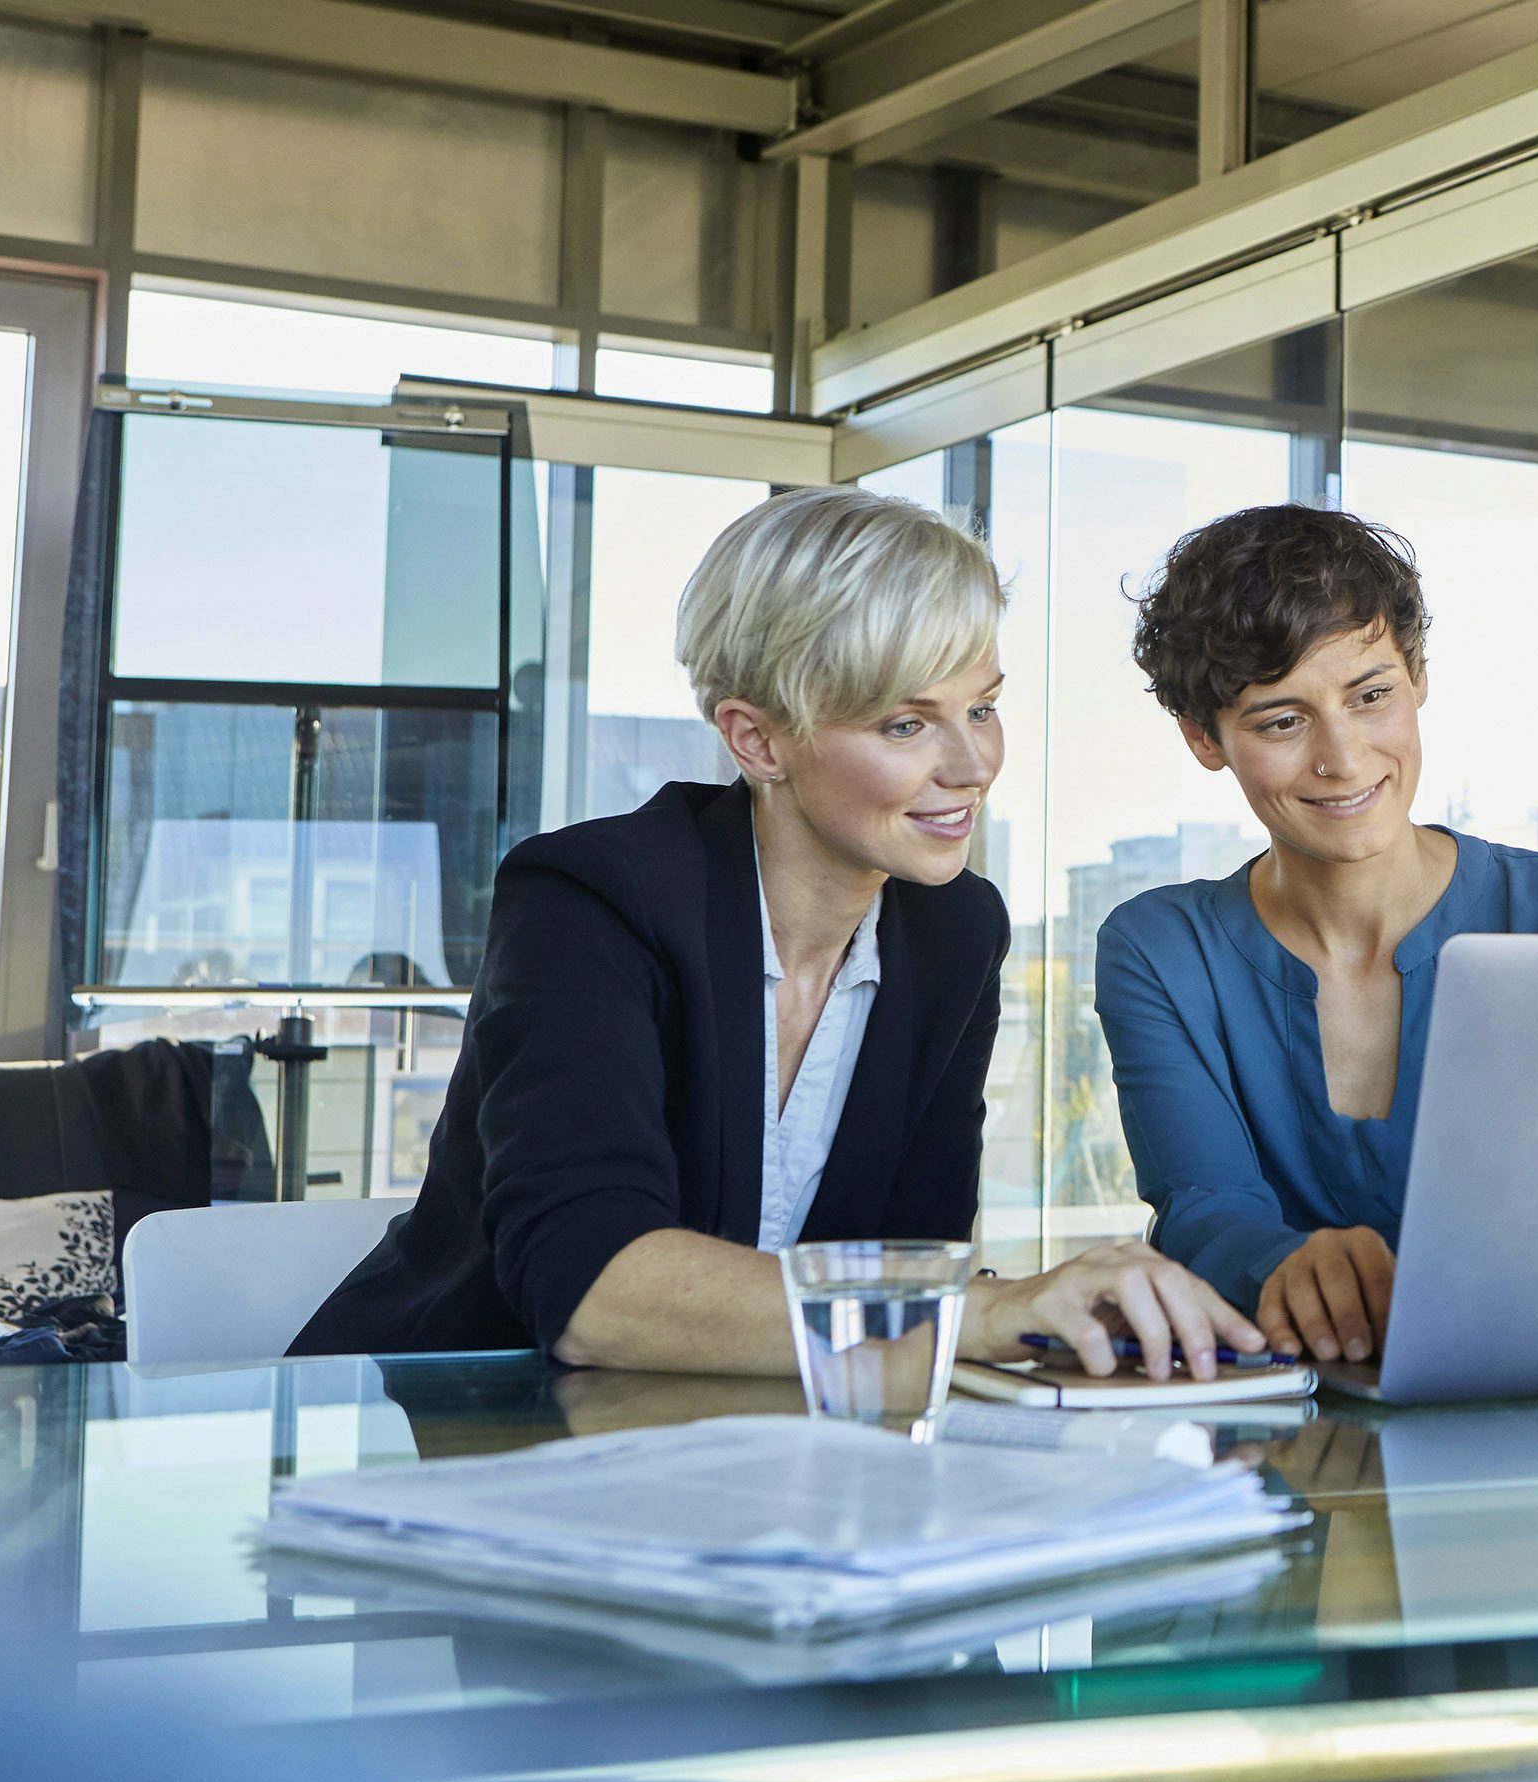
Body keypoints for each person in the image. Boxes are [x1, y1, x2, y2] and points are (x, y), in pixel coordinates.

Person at [294, 487, 1260, 1381]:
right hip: (448, 1436)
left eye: (983, 707)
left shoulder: (954, 930)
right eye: (904, 726)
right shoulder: (590, 897)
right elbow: (590, 1292)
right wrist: (989, 1313)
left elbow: (912, 1263)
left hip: (740, 1450)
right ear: (756, 740)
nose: (973, 764)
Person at [1096, 505, 1538, 1366]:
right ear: (1206, 739)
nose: (1343, 759)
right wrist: (1286, 1265)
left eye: (1371, 695)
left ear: (1417, 676)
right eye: (1282, 720)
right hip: (1288, 1418)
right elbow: (1202, 1207)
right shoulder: (1162, 947)